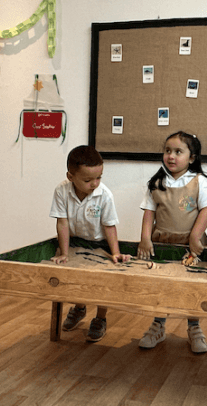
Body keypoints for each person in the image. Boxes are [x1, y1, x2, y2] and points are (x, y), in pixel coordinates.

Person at [137, 131, 207, 353]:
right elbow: (149, 212)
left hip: (190, 244)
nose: (171, 156)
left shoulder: (200, 182)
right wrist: (145, 238)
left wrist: (195, 236)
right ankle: (158, 325)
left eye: (178, 152)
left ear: (192, 158)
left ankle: (194, 327)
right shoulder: (157, 183)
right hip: (162, 242)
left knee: (191, 285)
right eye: (167, 151)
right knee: (161, 284)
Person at [49, 145, 130, 343]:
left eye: (99, 177)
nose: (94, 184)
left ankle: (100, 318)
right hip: (76, 242)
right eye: (87, 180)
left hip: (99, 243)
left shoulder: (104, 195)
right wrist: (64, 253)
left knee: (102, 282)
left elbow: (109, 226)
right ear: (70, 176)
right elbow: (62, 223)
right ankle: (79, 308)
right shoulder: (61, 190)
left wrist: (115, 252)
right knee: (76, 278)